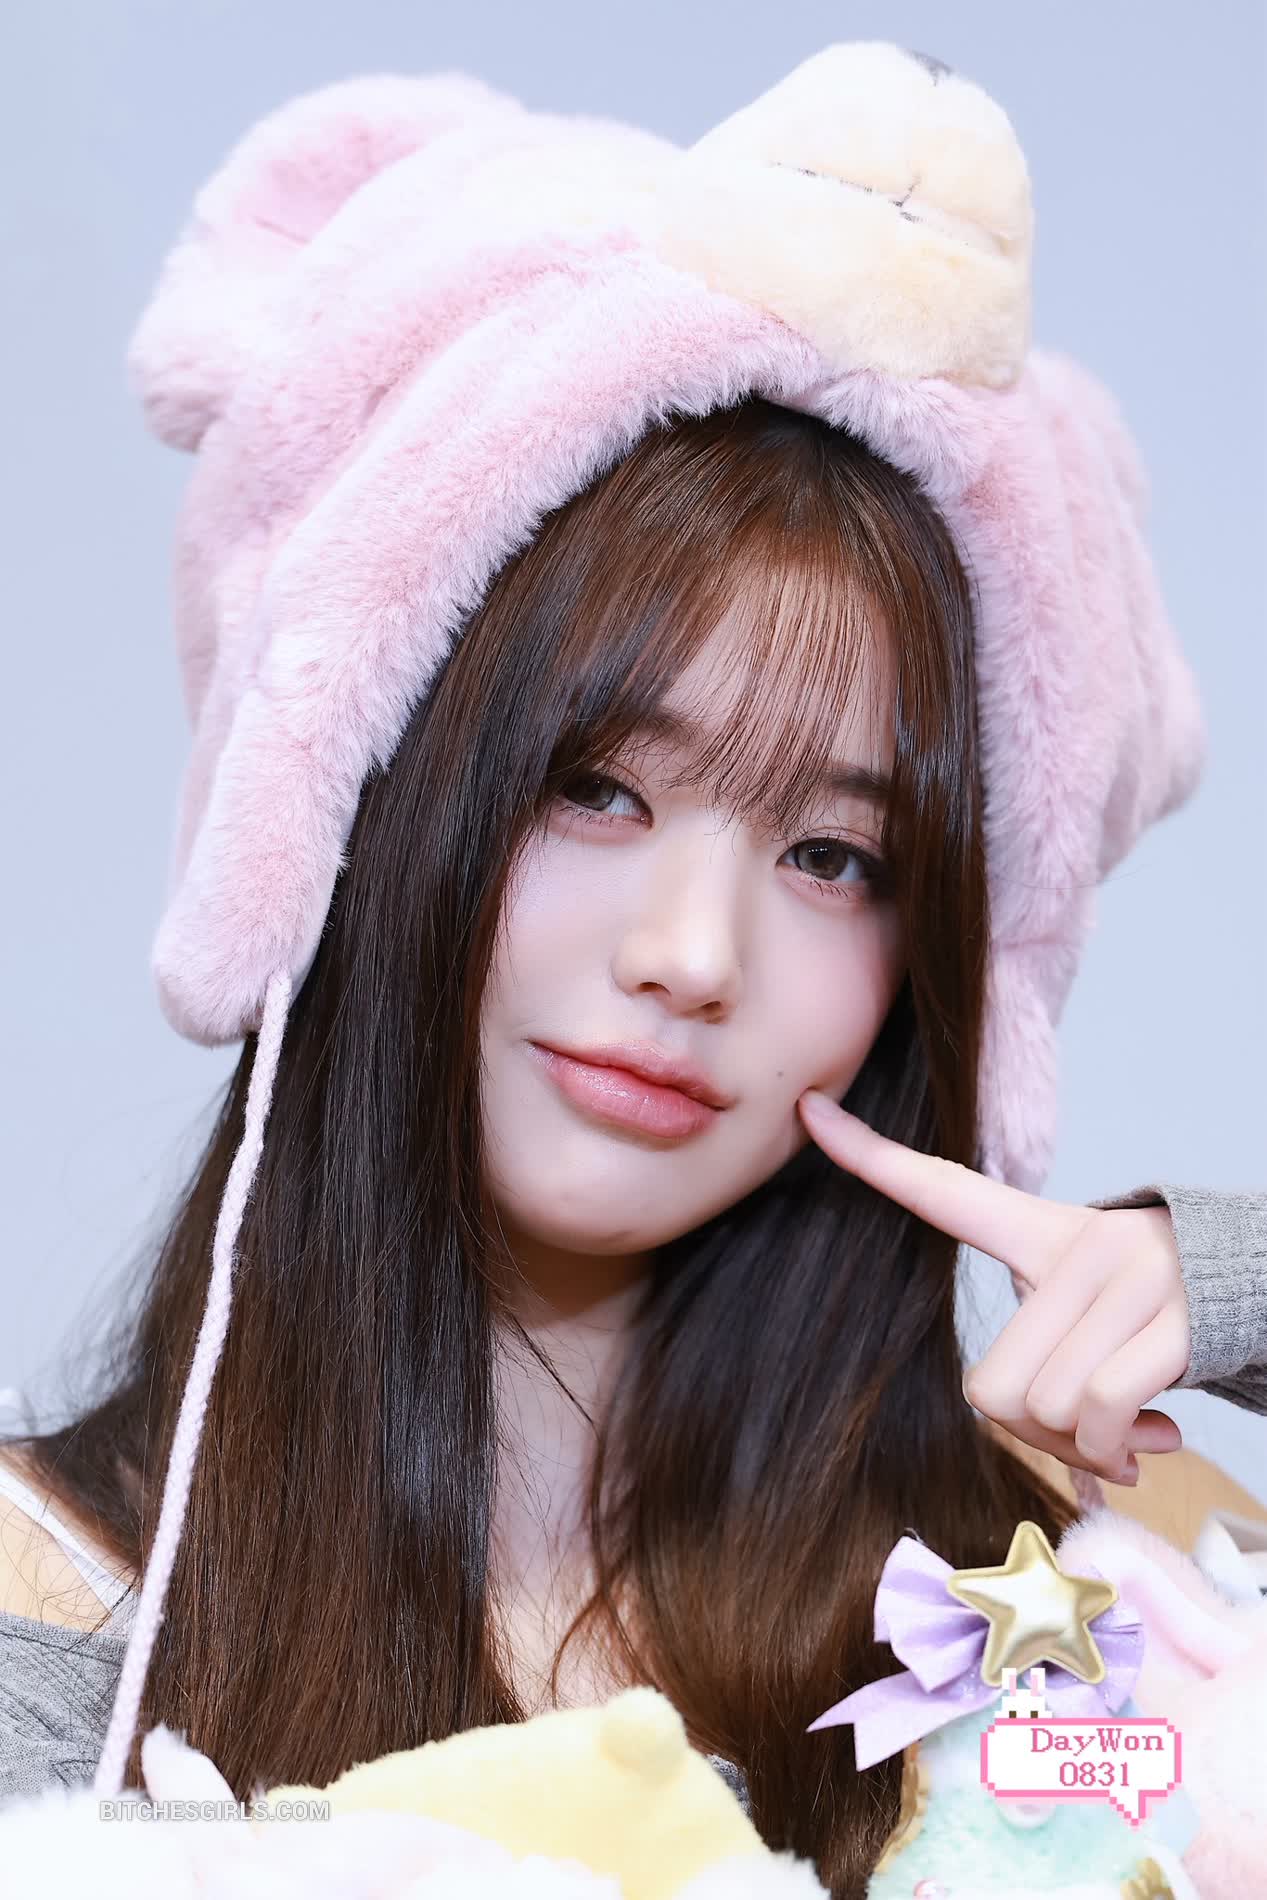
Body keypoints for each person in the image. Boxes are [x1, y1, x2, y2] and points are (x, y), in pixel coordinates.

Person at [1, 41, 1262, 1897]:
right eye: (595, 787)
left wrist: (1222, 1278)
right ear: (359, 794)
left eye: (832, 858)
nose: (690, 958)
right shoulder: (53, 1623)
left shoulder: (1080, 1598)